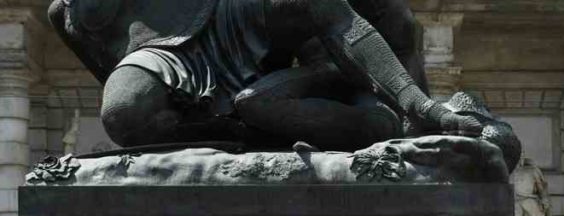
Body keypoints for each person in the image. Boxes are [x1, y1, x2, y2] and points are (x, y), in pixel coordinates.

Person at [49, 0, 481, 149]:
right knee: (123, 113)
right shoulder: (62, 13)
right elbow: (106, 69)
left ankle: (416, 105)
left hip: (225, 11)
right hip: (158, 52)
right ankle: (249, 133)